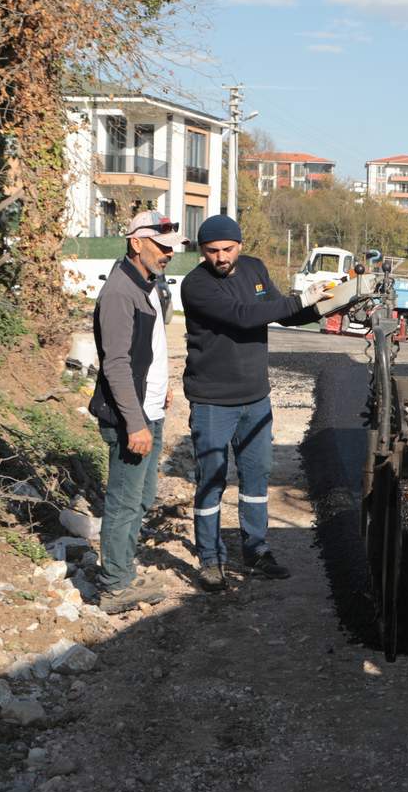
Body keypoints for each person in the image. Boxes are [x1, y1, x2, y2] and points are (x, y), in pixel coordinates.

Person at [180, 214, 331, 590]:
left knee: (256, 477)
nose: (221, 257)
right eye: (212, 251)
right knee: (211, 481)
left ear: (240, 245)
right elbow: (244, 317)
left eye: (227, 249)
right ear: (202, 251)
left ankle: (257, 550)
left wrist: (321, 307)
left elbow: (281, 311)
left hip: (255, 398)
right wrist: (299, 299)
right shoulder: (195, 285)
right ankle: (211, 559)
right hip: (212, 401)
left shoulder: (255, 269)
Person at [87, 211, 190, 614]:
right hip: (131, 418)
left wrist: (159, 390)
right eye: (162, 247)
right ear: (136, 243)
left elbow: (145, 352)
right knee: (125, 501)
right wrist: (134, 423)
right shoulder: (118, 293)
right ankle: (114, 586)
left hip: (149, 410)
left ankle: (123, 572)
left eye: (171, 248)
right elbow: (114, 364)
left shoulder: (147, 284)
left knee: (143, 496)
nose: (169, 254)